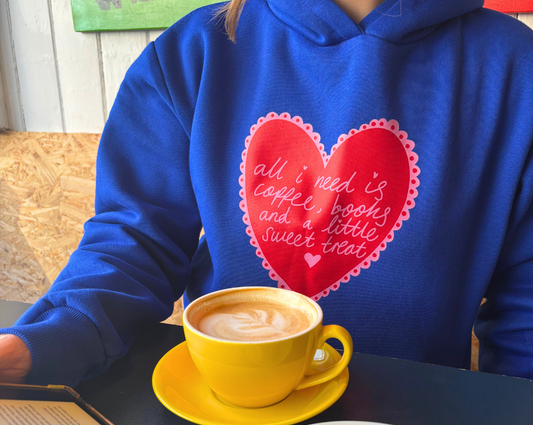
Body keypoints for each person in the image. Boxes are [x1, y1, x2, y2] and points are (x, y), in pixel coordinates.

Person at [0, 0, 532, 387]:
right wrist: (46, 340)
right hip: (226, 409)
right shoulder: (192, 54)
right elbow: (135, 243)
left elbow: (525, 309)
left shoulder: (516, 70)